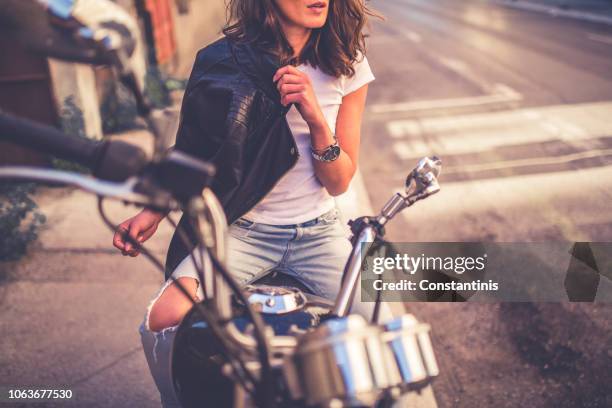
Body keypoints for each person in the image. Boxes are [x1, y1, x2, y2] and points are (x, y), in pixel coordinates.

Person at [112, 0, 386, 406]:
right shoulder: (224, 60)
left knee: (380, 328)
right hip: (242, 232)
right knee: (163, 318)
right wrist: (154, 210)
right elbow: (198, 149)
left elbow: (339, 181)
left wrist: (315, 119)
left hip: (319, 233)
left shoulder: (346, 62)